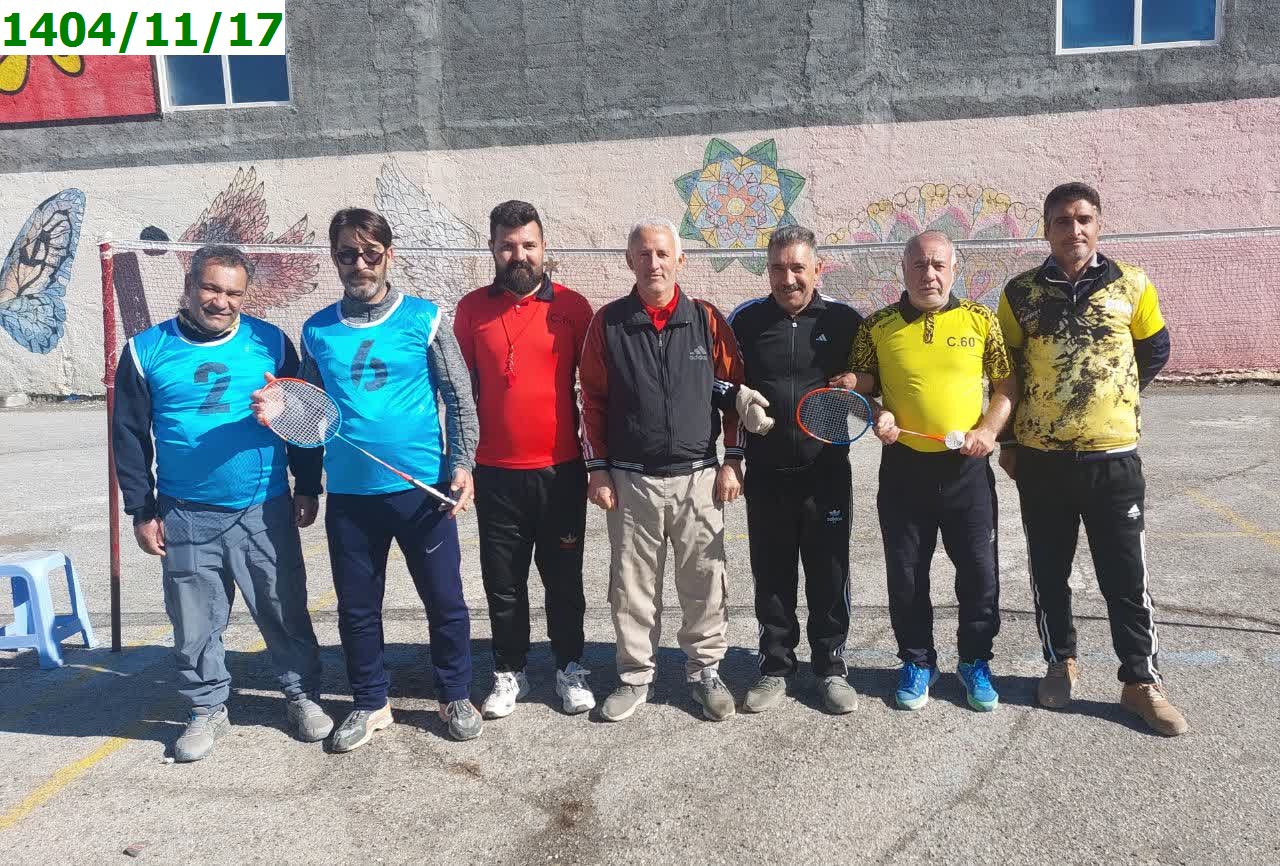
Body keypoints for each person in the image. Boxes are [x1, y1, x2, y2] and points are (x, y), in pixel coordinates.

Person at [255, 208, 482, 749]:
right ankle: (370, 702)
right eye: (347, 254)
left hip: (422, 491)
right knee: (357, 609)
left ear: (388, 255)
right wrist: (303, 475)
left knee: (445, 600)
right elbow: (306, 415)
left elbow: (459, 397)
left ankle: (455, 693)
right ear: (334, 259)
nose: (359, 264)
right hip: (352, 498)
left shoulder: (425, 318)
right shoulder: (317, 330)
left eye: (370, 253)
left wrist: (463, 463)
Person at [112, 244, 331, 762]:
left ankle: (301, 695)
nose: (221, 301)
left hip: (263, 505)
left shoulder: (271, 342)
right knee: (194, 622)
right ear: (189, 286)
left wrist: (306, 484)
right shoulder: (145, 349)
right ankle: (207, 707)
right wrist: (141, 509)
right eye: (211, 288)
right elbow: (129, 436)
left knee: (283, 608)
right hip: (186, 511)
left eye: (233, 293)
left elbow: (303, 416)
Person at [996, 181, 1186, 736]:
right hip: (1042, 459)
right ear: (1046, 229)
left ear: (1099, 224)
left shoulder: (1133, 283)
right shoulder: (1020, 293)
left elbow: (1155, 348)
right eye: (1062, 220)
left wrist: (1117, 395)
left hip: (1113, 458)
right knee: (1050, 572)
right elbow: (1006, 371)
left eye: (1083, 219)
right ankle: (1060, 662)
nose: (1073, 230)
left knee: (1125, 576)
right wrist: (1009, 442)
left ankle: (1140, 681)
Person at [578, 217, 759, 722]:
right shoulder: (608, 323)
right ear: (629, 261)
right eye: (643, 254)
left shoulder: (705, 319)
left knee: (704, 581)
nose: (653, 263)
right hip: (631, 479)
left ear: (680, 259)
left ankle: (705, 672)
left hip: (699, 476)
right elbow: (591, 399)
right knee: (632, 586)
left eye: (662, 254)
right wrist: (598, 470)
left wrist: (733, 460)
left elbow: (733, 393)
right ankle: (635, 676)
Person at [834, 230, 1015, 712]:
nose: (928, 274)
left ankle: (975, 661)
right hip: (904, 473)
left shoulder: (980, 319)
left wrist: (989, 430)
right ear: (904, 270)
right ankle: (917, 661)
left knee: (979, 574)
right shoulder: (877, 325)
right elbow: (862, 386)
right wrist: (876, 414)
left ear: (954, 269)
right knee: (907, 575)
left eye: (938, 264)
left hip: (967, 472)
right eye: (918, 265)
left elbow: (1005, 383)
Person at [453, 201, 596, 719]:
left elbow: (595, 391)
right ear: (493, 248)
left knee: (564, 581)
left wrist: (601, 464)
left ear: (543, 247)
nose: (519, 255)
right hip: (495, 473)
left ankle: (570, 667)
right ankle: (509, 670)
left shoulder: (574, 308)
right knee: (504, 584)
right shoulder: (471, 310)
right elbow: (458, 394)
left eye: (528, 245)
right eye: (508, 246)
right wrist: (460, 462)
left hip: (560, 472)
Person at [727, 225, 863, 715]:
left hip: (826, 472)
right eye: (778, 269)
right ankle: (775, 667)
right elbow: (724, 386)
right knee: (771, 574)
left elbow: (874, 381)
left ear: (817, 269)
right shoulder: (745, 320)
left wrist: (859, 385)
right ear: (767, 271)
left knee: (830, 572)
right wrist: (735, 436)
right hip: (767, 475)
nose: (788, 279)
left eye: (798, 268)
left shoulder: (845, 320)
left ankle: (831, 667)